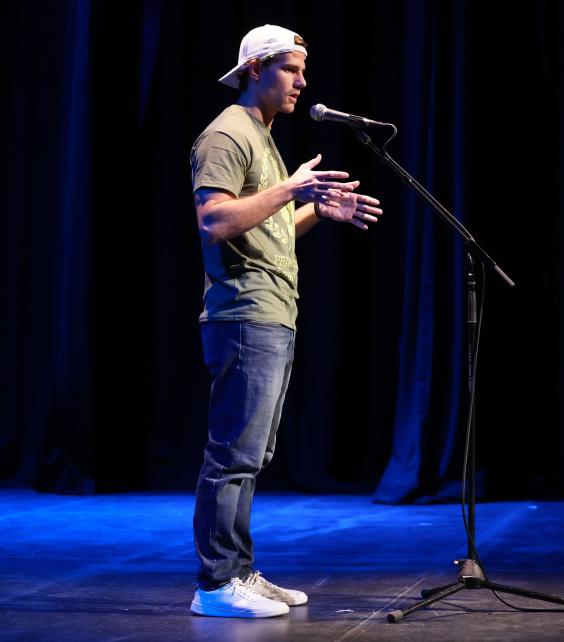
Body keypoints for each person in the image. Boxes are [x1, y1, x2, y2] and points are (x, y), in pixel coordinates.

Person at [188, 24, 383, 618]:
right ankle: (217, 584)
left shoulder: (264, 139)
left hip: (273, 312)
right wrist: (291, 187)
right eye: (290, 70)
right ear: (255, 69)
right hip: (244, 314)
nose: (302, 81)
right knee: (233, 454)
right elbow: (216, 222)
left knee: (254, 452)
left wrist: (315, 211)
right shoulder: (227, 133)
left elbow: (267, 230)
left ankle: (240, 571)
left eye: (303, 70)